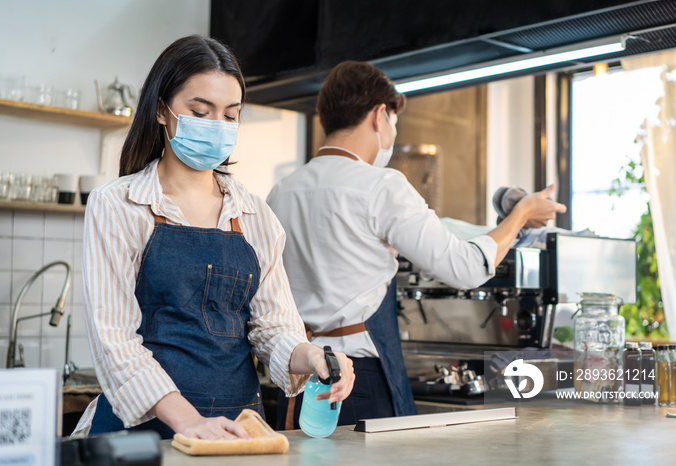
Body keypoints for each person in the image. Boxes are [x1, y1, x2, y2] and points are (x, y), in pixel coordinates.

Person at [71, 36, 355, 440]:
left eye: (230, 115)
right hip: (143, 434)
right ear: (161, 111)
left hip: (238, 430)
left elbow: (272, 329)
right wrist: (188, 421)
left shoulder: (256, 215)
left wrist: (310, 356)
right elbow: (115, 342)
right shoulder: (118, 205)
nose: (217, 127)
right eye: (200, 112)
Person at [266, 61, 566, 428]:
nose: (391, 133)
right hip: (357, 382)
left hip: (296, 379)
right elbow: (465, 268)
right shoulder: (381, 185)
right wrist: (519, 215)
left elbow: (438, 228)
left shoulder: (281, 192)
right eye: (393, 121)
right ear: (379, 115)